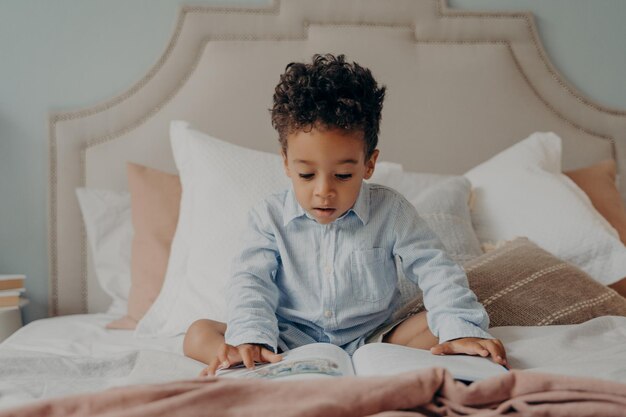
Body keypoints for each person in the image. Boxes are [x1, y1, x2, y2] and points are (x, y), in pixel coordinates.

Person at [183, 54, 507, 375]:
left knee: (440, 324)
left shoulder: (391, 211)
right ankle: (242, 355)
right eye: (307, 176)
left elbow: (436, 269)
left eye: (342, 175)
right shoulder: (268, 216)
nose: (324, 191)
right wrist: (251, 337)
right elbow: (251, 282)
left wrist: (460, 328)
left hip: (374, 337)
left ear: (369, 164)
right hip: (287, 338)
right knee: (198, 333)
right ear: (286, 163)